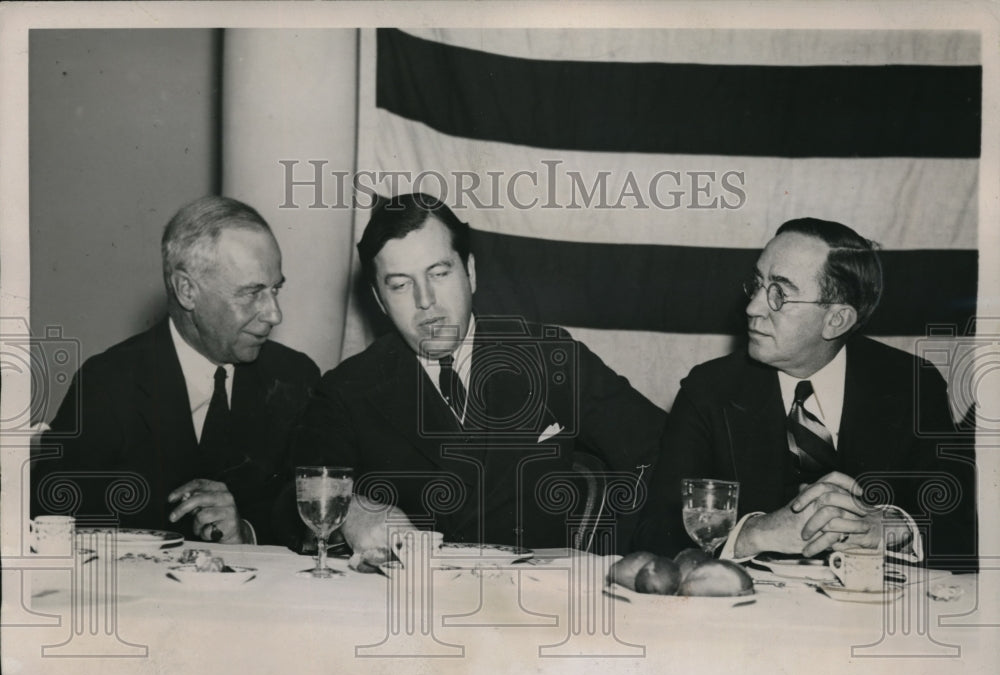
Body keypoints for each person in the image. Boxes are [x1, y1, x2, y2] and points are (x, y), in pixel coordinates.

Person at [291, 193, 666, 554]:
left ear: (469, 273)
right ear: (379, 301)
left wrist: (630, 555)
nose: (426, 301)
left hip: (535, 604)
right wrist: (352, 511)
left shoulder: (552, 358)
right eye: (401, 285)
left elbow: (665, 454)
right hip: (404, 604)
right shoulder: (347, 389)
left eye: (439, 273)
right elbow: (290, 497)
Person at [634, 217, 976, 570]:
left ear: (837, 320)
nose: (752, 308)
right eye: (757, 284)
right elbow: (653, 537)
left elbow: (967, 530)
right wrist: (756, 532)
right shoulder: (709, 390)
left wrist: (899, 528)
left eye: (780, 294)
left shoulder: (912, 385)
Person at [32, 196, 320, 544]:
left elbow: (313, 515)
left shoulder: (295, 377)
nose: (274, 314)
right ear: (187, 290)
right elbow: (50, 518)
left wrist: (246, 531)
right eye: (252, 292)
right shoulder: (107, 383)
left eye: (275, 289)